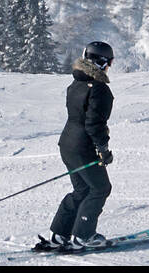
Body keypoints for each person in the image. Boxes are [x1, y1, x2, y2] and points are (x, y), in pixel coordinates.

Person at [45, 41, 115, 250]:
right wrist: (103, 150)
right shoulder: (99, 89)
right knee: (101, 188)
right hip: (82, 148)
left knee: (82, 189)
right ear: (102, 63)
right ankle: (83, 236)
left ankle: (60, 234)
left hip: (67, 144)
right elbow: (94, 124)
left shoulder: (75, 84)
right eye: (109, 62)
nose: (109, 67)